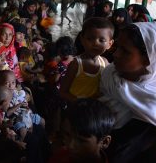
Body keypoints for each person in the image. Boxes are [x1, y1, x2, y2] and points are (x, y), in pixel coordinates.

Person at [100, 22, 156, 162]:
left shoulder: (152, 100)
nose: (116, 54)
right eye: (117, 46)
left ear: (148, 58)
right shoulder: (109, 73)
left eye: (125, 51)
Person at [60, 17, 113, 104]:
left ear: (109, 44)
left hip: (93, 111)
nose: (95, 43)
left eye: (101, 40)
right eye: (90, 39)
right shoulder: (76, 64)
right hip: (76, 109)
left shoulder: (105, 63)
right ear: (82, 39)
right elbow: (63, 92)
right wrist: (81, 103)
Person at [49, 98, 115, 163]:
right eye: (67, 135)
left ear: (104, 142)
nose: (70, 146)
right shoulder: (61, 155)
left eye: (81, 140)